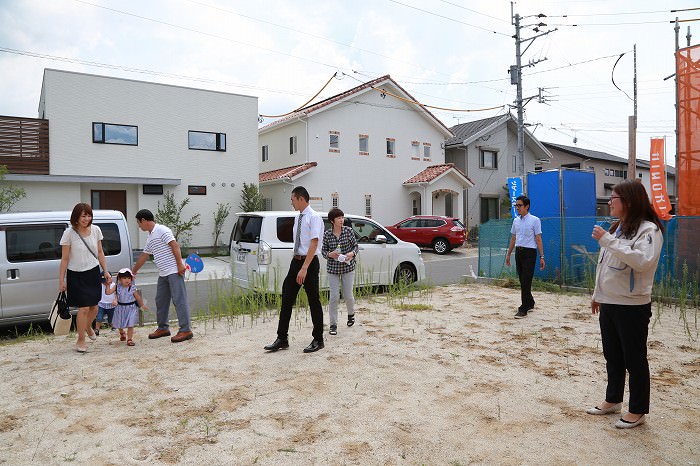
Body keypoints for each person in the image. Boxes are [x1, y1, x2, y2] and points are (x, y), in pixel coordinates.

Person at [586, 179, 664, 429]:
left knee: (635, 358)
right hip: (610, 302)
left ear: (628, 202)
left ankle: (638, 410)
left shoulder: (648, 230)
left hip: (632, 306)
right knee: (613, 355)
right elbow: (604, 266)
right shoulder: (618, 228)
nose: (609, 203)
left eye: (613, 199)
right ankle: (613, 399)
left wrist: (608, 240)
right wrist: (598, 294)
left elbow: (643, 261)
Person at [264, 186, 325, 353]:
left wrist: (304, 268)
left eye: (292, 199)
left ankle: (318, 339)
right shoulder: (298, 217)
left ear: (301, 199)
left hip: (309, 264)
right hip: (296, 261)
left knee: (314, 301)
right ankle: (282, 338)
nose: (291, 202)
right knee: (287, 297)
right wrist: (297, 264)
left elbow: (314, 243)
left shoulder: (314, 217)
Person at [132, 209, 193, 343]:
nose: (138, 226)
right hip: (163, 273)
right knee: (161, 300)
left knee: (179, 300)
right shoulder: (150, 236)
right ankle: (163, 328)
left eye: (138, 222)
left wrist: (179, 265)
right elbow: (144, 255)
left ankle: (186, 330)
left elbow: (175, 246)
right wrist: (133, 271)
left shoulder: (162, 230)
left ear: (143, 220)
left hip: (174, 271)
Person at [59, 203, 111, 353]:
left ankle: (88, 326)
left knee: (94, 307)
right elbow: (64, 259)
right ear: (76, 217)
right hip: (76, 274)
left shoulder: (96, 230)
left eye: (89, 215)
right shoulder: (69, 233)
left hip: (93, 272)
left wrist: (106, 271)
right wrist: (61, 280)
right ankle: (81, 339)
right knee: (83, 308)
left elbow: (100, 252)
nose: (86, 219)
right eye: (83, 216)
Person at [505, 195, 545, 319]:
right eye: (516, 205)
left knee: (526, 280)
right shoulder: (516, 220)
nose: (517, 208)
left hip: (530, 253)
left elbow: (538, 238)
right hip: (519, 252)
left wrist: (542, 256)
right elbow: (513, 238)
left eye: (520, 205)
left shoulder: (535, 220)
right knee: (522, 280)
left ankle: (523, 309)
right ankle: (530, 302)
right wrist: (508, 254)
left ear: (527, 206)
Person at [321, 208, 359, 335]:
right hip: (333, 269)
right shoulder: (327, 234)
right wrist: (329, 254)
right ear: (332, 221)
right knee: (334, 297)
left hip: (348, 267)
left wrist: (351, 254)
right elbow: (323, 251)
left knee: (348, 295)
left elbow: (356, 246)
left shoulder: (348, 231)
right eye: (338, 218)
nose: (341, 220)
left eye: (342, 217)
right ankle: (333, 324)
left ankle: (350, 314)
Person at [106, 268, 148, 346]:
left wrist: (142, 305)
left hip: (131, 308)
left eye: (129, 278)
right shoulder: (116, 287)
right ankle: (122, 333)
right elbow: (108, 292)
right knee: (118, 323)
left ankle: (129, 339)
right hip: (120, 308)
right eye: (124, 278)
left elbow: (138, 297)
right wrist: (108, 285)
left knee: (130, 324)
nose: (127, 280)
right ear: (119, 279)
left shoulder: (132, 288)